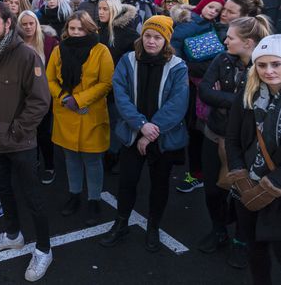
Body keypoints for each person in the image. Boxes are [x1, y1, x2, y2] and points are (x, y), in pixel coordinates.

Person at [0, 2, 53, 281]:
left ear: (8, 24)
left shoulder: (27, 56)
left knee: (33, 197)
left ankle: (44, 249)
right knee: (3, 191)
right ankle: (12, 234)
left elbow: (40, 101)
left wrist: (17, 131)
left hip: (19, 143)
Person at [101, 16, 189, 252]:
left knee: (159, 184)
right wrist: (141, 125)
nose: (151, 41)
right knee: (127, 181)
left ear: (166, 39)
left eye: (157, 37)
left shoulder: (177, 66)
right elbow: (121, 95)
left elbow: (178, 104)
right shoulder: (128, 60)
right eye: (148, 36)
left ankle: (153, 226)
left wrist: (149, 132)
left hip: (162, 137)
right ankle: (121, 223)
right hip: (133, 133)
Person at [197, 16, 272, 267]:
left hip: (246, 143)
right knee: (212, 189)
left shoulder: (264, 67)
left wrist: (226, 98)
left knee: (243, 194)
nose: (224, 40)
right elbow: (205, 92)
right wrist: (238, 100)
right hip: (214, 134)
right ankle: (218, 230)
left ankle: (241, 240)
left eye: (230, 37)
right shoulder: (222, 59)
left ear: (248, 42)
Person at [47, 11, 114, 225]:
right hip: (66, 111)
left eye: (80, 28)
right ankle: (74, 195)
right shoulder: (58, 50)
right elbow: (49, 80)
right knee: (71, 158)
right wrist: (64, 97)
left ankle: (94, 199)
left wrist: (80, 99)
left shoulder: (101, 50)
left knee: (92, 160)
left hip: (90, 114)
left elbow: (106, 83)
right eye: (72, 28)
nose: (75, 33)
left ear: (89, 28)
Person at [226, 34, 281, 284]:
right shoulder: (249, 93)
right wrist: (239, 173)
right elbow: (233, 137)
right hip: (247, 185)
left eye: (276, 64)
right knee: (254, 248)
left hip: (277, 191)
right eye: (262, 64)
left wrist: (273, 183)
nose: (268, 71)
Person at [18, 10, 58, 185]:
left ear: (36, 24)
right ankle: (32, 163)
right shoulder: (16, 43)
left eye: (31, 23)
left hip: (43, 95)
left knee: (43, 133)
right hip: (22, 95)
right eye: (24, 24)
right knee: (26, 132)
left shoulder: (49, 43)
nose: (28, 27)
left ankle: (49, 166)